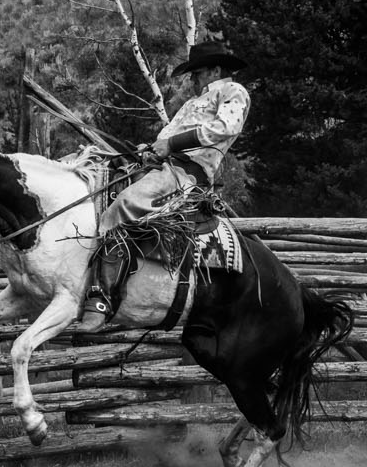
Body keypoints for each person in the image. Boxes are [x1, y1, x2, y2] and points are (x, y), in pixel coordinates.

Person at [78, 39, 250, 330]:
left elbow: (225, 127)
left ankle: (102, 298)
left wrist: (171, 143)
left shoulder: (234, 91)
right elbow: (166, 137)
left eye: (197, 73)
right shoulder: (191, 104)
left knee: (124, 206)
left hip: (187, 173)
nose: (193, 79)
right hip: (162, 166)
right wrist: (152, 147)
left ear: (215, 70)